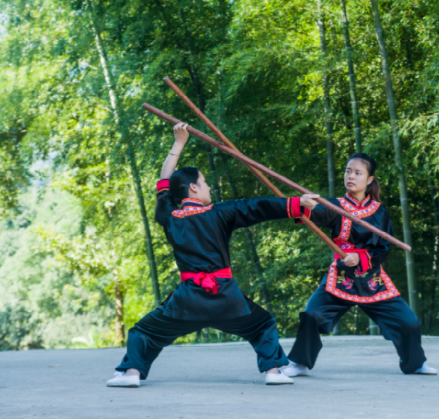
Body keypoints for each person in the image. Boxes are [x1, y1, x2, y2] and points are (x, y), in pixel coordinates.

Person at [107, 123, 314, 388]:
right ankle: (273, 371)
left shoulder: (169, 216)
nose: (208, 188)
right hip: (226, 298)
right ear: (193, 188)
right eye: (204, 183)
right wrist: (296, 203)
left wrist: (178, 143)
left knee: (144, 331)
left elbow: (164, 185)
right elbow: (256, 207)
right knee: (262, 324)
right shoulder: (220, 213)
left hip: (187, 300)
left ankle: (131, 374)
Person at [283, 153, 437, 378]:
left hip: (372, 280)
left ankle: (414, 363)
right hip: (341, 278)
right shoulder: (334, 206)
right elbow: (312, 214)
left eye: (357, 172)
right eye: (348, 171)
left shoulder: (380, 212)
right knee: (312, 314)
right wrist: (302, 204)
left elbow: (384, 248)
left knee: (409, 322)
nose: (351, 176)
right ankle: (300, 363)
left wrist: (360, 257)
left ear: (369, 179)